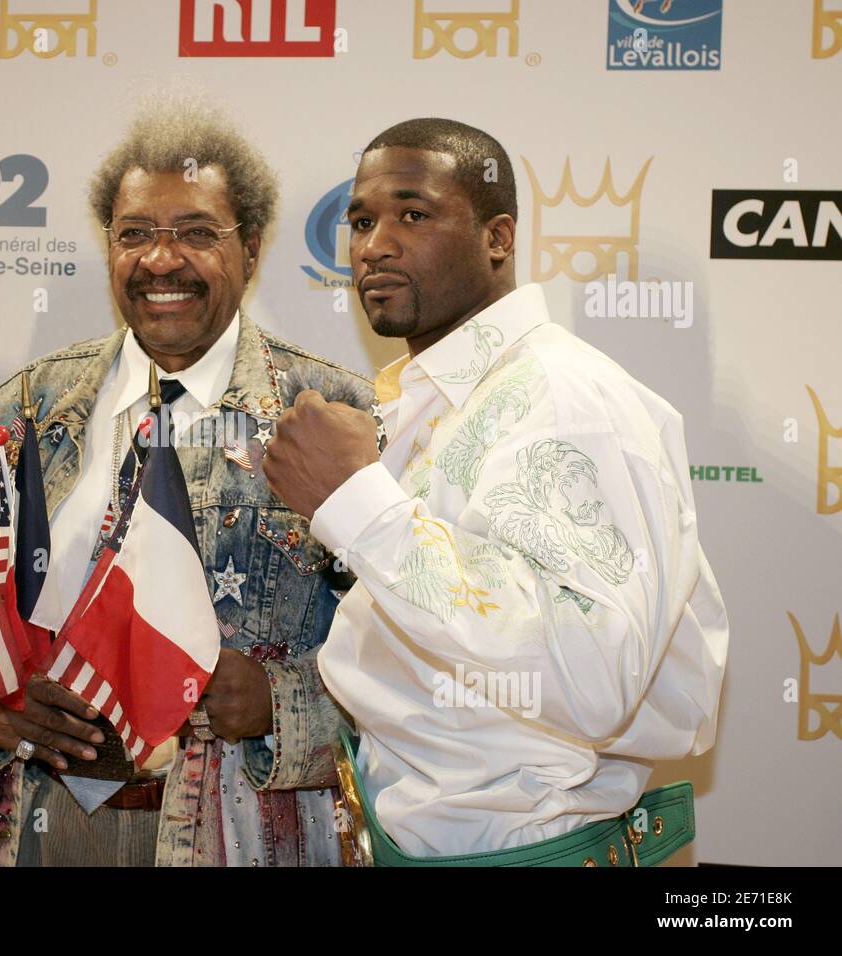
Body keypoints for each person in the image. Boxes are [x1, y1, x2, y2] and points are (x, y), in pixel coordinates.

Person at [264, 118, 729, 865]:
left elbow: (595, 675)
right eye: (360, 221)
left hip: (531, 848)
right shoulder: (442, 398)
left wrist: (356, 502)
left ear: (498, 238)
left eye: (413, 215)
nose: (373, 244)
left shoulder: (565, 398)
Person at [0, 103, 375, 866]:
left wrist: (282, 705)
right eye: (135, 233)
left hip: (248, 833)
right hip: (46, 827)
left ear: (253, 248)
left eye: (198, 232)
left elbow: (412, 656)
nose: (161, 260)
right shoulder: (27, 411)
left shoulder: (335, 418)